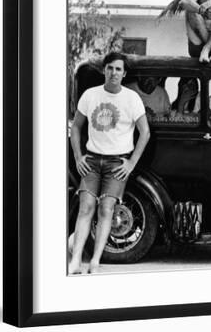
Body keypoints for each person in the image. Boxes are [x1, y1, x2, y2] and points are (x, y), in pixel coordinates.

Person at [69, 52, 151, 274]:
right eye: (110, 68)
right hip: (92, 160)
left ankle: (95, 261)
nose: (114, 73)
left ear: (124, 74)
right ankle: (76, 261)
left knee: (106, 210)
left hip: (117, 163)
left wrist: (131, 163)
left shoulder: (131, 98)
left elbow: (145, 132)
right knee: (85, 207)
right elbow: (76, 127)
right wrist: (78, 156)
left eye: (118, 69)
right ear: (104, 70)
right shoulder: (90, 95)